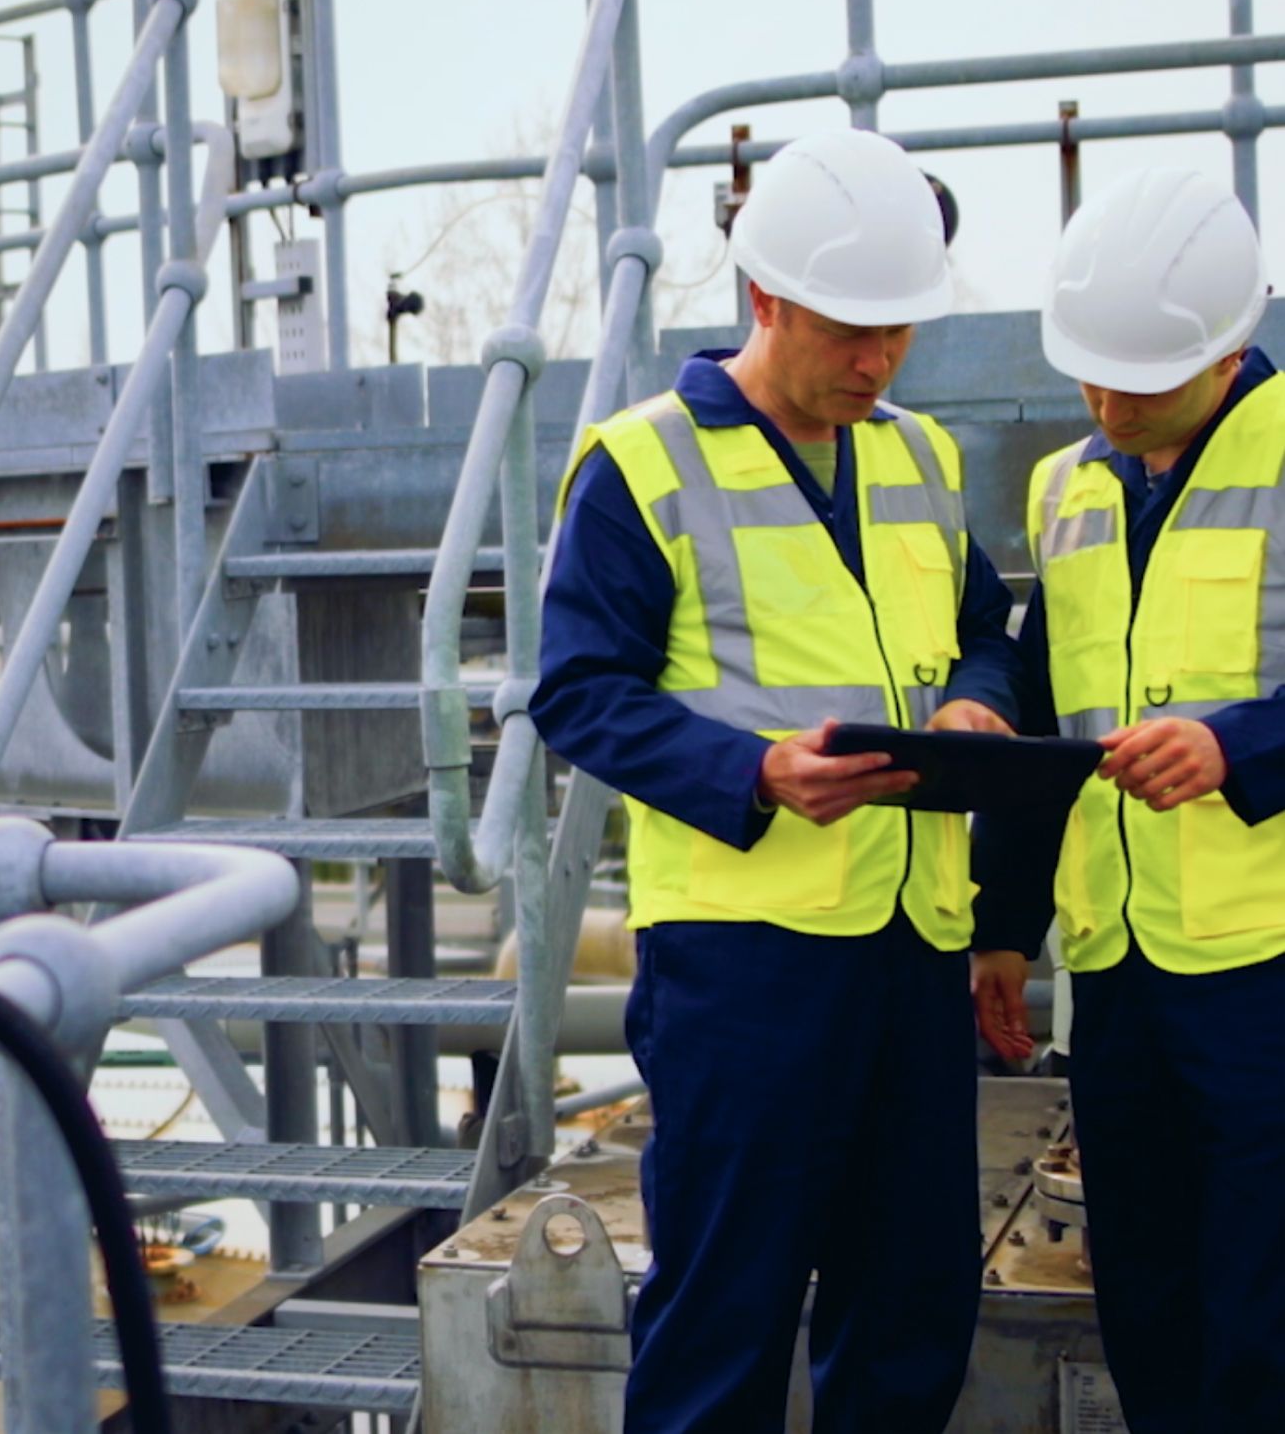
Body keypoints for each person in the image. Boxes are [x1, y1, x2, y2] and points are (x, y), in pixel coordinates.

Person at [531, 127, 1022, 1433]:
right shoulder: (641, 467)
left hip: (912, 945)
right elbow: (575, 693)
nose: (875, 362)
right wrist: (748, 773)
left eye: (897, 335)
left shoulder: (915, 457)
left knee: (910, 1302)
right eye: (848, 333)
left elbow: (985, 622)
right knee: (721, 1312)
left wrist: (980, 692)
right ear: (765, 300)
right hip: (745, 966)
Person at [969, 166, 1282, 1431]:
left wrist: (1241, 748)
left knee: (1262, 1303)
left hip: (1266, 964)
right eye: (1087, 377)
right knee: (1141, 1290)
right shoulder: (1067, 488)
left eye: (1135, 383)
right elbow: (1048, 724)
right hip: (1122, 972)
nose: (1102, 405)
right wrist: (1003, 924)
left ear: (1230, 348)